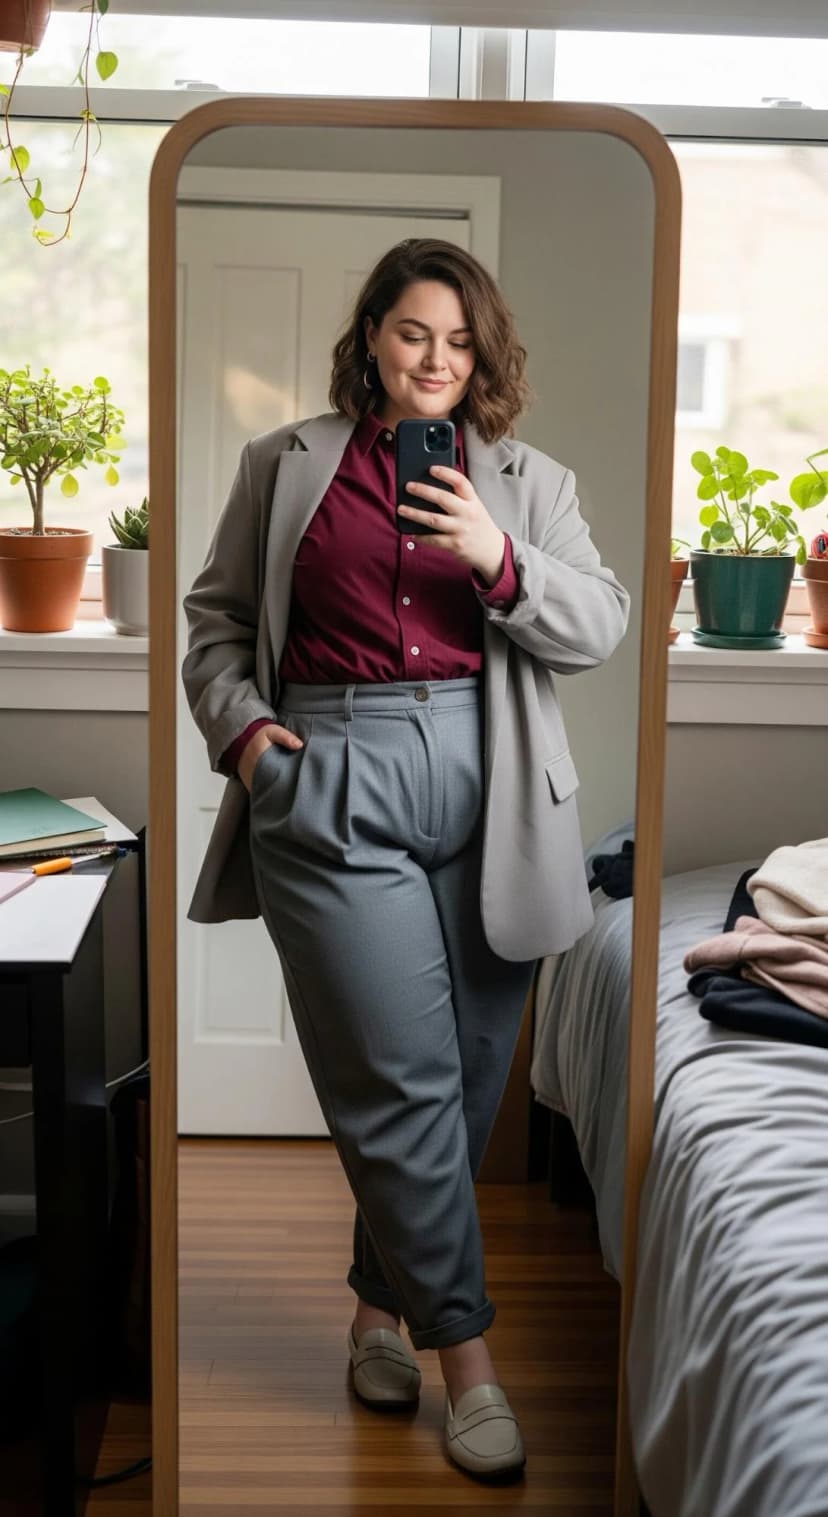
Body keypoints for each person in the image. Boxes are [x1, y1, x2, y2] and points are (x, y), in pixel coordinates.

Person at [181, 237, 630, 1481]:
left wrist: (498, 556)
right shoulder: (285, 466)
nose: (435, 358)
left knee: (468, 1084)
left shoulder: (531, 483)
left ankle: (378, 1309)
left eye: (459, 340)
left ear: (481, 356)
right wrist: (257, 745)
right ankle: (470, 1359)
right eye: (413, 331)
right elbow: (214, 625)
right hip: (330, 779)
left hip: (497, 805)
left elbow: (599, 620)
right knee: (399, 1080)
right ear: (372, 335)